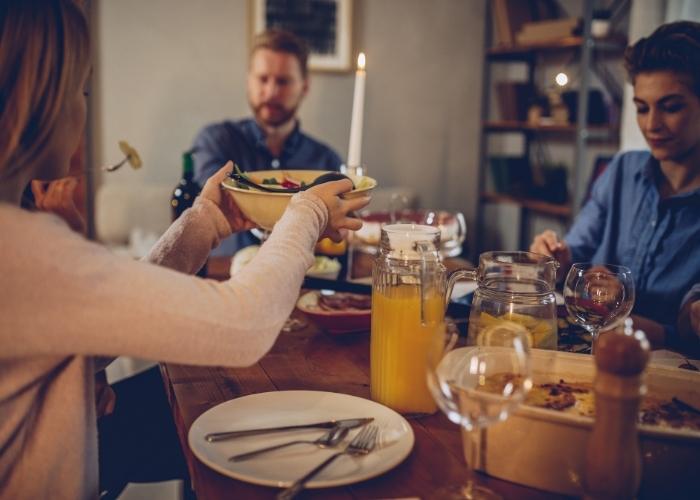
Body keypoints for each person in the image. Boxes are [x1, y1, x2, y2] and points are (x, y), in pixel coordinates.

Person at [0, 1, 369, 498]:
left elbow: (109, 326)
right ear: (36, 101)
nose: (84, 107)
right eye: (81, 89)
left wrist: (204, 224)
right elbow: (244, 326)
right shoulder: (22, 249)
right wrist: (308, 213)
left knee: (220, 419)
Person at [530, 21, 700, 350]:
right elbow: (574, 255)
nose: (652, 125)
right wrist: (556, 258)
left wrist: (646, 326)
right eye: (641, 108)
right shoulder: (622, 170)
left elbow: (690, 328)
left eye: (671, 107)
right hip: (589, 350)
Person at [191, 28, 343, 255]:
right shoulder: (216, 141)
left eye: (283, 81)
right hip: (224, 280)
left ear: (305, 87)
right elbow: (217, 200)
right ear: (248, 81)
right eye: (263, 79)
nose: (271, 92)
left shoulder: (326, 160)